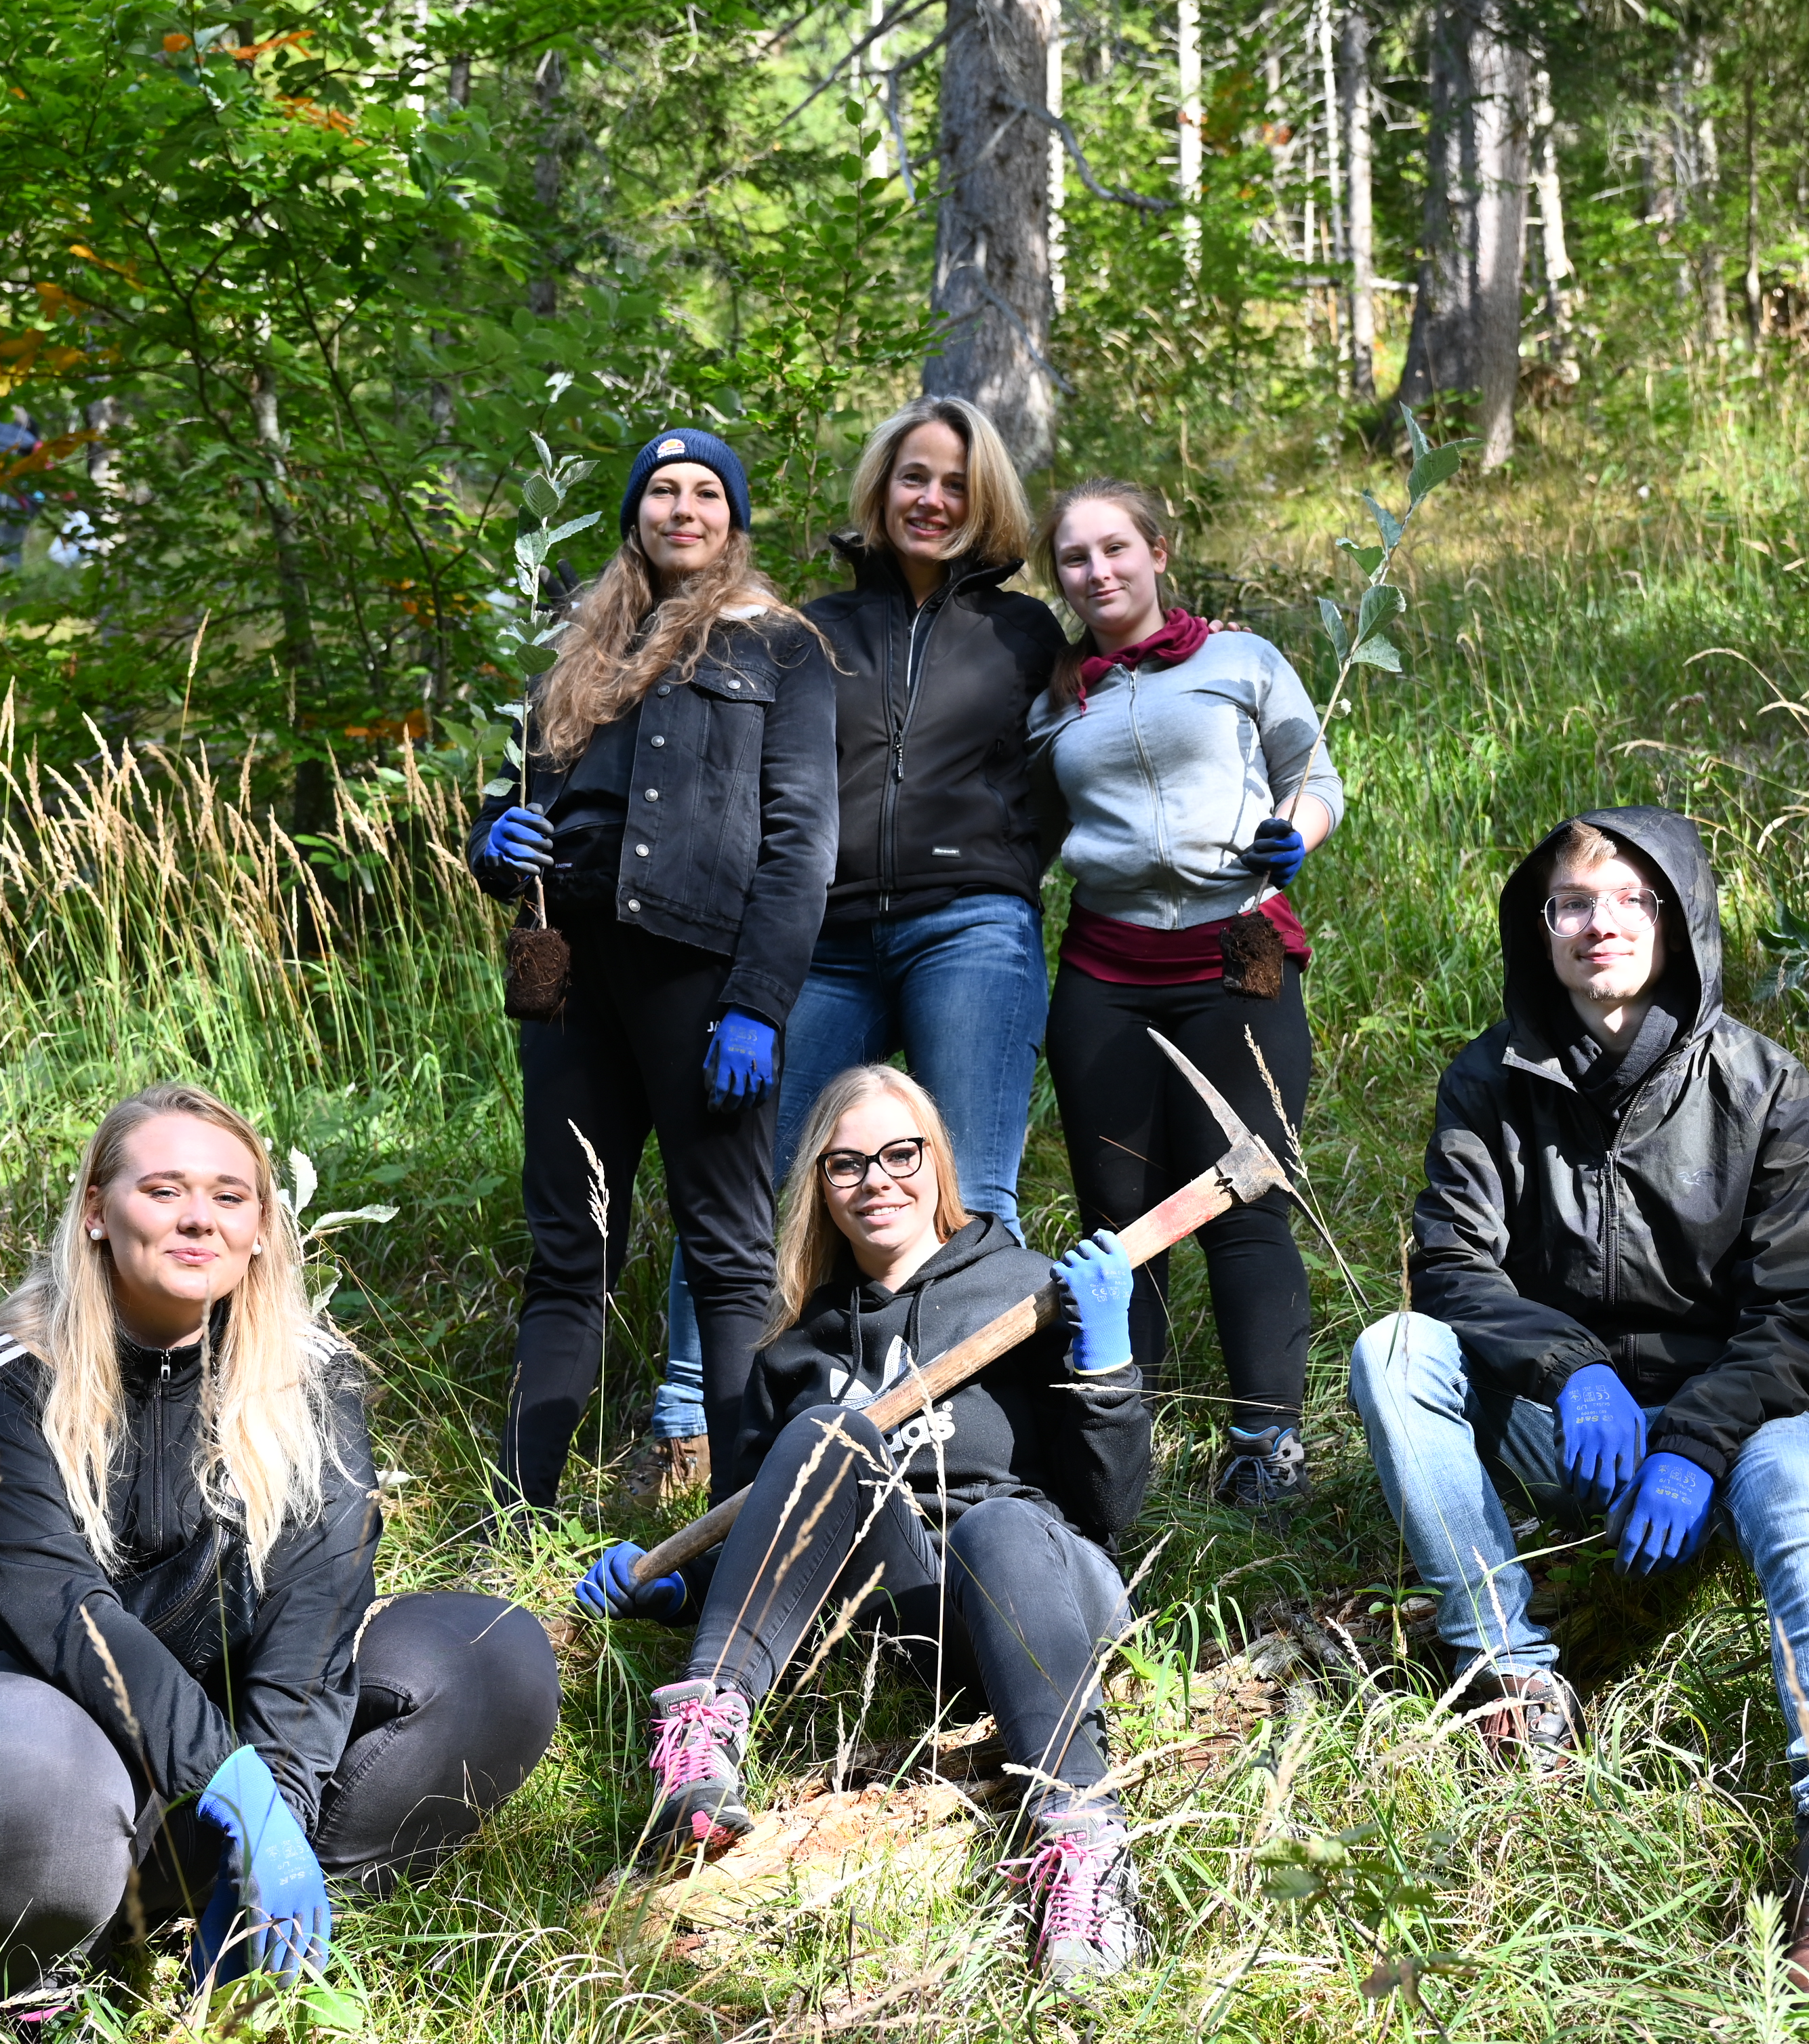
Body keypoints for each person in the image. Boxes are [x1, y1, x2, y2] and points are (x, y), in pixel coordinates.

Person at [1344, 806, 1809, 1990]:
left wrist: (1696, 1440)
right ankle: (1516, 1685)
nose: (1602, 925)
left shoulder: (1764, 1088)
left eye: (1630, 901)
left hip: (1728, 1425)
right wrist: (1570, 1368)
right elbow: (1450, 1267)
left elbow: (1798, 1314)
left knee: (1805, 1497)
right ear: (1540, 927)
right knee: (1392, 1352)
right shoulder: (1489, 1080)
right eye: (1573, 904)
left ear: (1679, 919)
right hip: (1562, 1425)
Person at [0, 1084, 561, 1992]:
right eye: (162, 1191)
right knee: (18, 1772)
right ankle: (51, 1962)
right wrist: (231, 1784)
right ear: (96, 1211)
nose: (198, 1218)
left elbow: (317, 1623)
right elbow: (64, 1616)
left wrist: (272, 1803)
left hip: (231, 1738)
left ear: (260, 1227)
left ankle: (262, 1922)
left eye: (229, 1196)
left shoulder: (311, 1377)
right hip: (52, 1731)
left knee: (495, 1654)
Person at [575, 1064, 1157, 1983]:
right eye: (846, 1165)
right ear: (819, 1187)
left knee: (995, 1527)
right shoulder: (792, 1348)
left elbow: (1112, 1509)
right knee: (825, 1434)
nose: (876, 1180)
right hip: (910, 1625)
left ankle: (1084, 1848)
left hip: (1044, 1591)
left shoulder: (1027, 1287)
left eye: (899, 1154)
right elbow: (770, 1543)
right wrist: (681, 1590)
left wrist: (1107, 1362)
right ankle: (704, 1726)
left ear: (938, 1164)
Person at [634, 398, 1065, 1509]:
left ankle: (970, 1425)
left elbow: (1068, 781)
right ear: (881, 491)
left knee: (970, 1179)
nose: (933, 501)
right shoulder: (807, 627)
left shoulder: (1026, 635)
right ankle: (693, 1418)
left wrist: (1002, 858)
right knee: (758, 1175)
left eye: (956, 486)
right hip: (821, 938)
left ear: (985, 505)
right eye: (914, 478)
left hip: (972, 923)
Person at [465, 428, 836, 1516]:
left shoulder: (780, 646)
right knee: (569, 1246)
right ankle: (519, 1511)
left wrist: (758, 1004)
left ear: (735, 518)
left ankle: (750, 1521)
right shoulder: (581, 658)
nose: (683, 507)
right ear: (635, 516)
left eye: (706, 492)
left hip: (702, 979)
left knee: (725, 1249)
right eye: (662, 491)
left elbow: (801, 840)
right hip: (572, 981)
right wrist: (495, 841)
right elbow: (519, 793)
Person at [1027, 479, 1340, 1513]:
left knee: (1247, 1197)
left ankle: (1265, 1443)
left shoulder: (1242, 659)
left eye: (1116, 548)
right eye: (1075, 559)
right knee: (1120, 1213)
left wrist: (1300, 830)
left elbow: (1316, 774)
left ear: (1159, 551)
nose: (1098, 572)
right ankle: (1127, 1426)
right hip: (1104, 973)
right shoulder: (1056, 692)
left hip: (1235, 953)